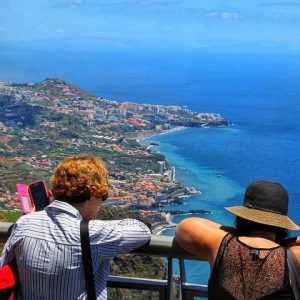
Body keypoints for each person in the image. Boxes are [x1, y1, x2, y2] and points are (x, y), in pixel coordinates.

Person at [0, 155, 151, 299]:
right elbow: (143, 231)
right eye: (102, 197)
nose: (100, 204)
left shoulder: (24, 223)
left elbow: (3, 269)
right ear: (93, 195)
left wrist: (34, 217)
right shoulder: (93, 234)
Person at [176, 180, 300, 299]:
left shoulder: (221, 245)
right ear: (282, 225)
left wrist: (238, 234)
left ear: (241, 218)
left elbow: (185, 226)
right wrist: (284, 243)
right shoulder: (293, 256)